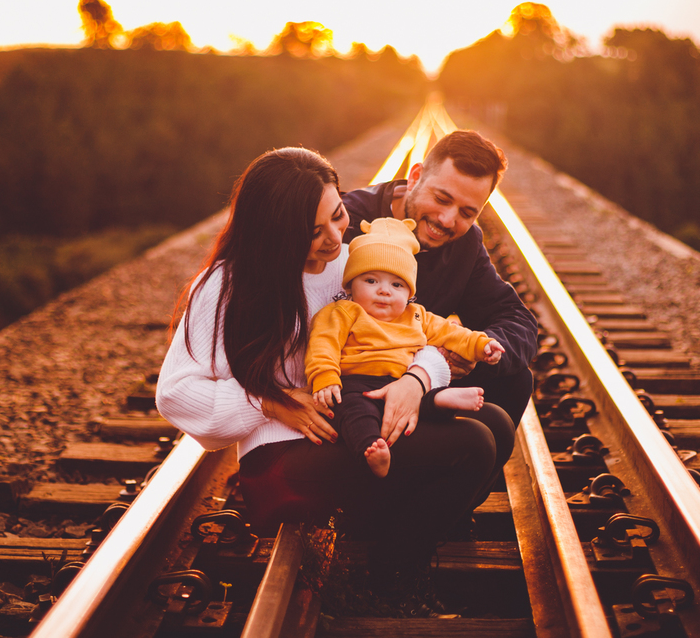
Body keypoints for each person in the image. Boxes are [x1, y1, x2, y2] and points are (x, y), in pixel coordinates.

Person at [155, 147, 502, 558]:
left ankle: (386, 538)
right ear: (275, 230)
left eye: (338, 216)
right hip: (283, 459)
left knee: (495, 422)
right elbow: (174, 394)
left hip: (352, 421)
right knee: (473, 444)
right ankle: (386, 573)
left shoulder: (350, 264)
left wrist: (417, 379)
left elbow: (413, 325)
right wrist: (270, 402)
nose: (336, 238)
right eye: (314, 231)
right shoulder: (227, 285)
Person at [341, 130, 539, 487]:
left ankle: (450, 509)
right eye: (442, 198)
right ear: (415, 176)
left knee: (515, 377)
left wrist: (476, 349)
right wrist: (426, 364)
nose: (448, 220)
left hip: (420, 379)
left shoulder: (465, 245)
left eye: (467, 212)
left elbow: (516, 320)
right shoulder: (352, 220)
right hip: (355, 384)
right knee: (484, 429)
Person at [306, 217, 504, 477]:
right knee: (353, 412)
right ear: (351, 285)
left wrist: (481, 344)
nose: (384, 291)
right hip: (356, 384)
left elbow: (451, 333)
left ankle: (444, 399)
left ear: (409, 293)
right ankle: (371, 448)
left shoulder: (417, 315)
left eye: (396, 284)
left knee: (423, 402)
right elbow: (324, 343)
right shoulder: (344, 311)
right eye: (371, 281)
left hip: (401, 383)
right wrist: (324, 377)